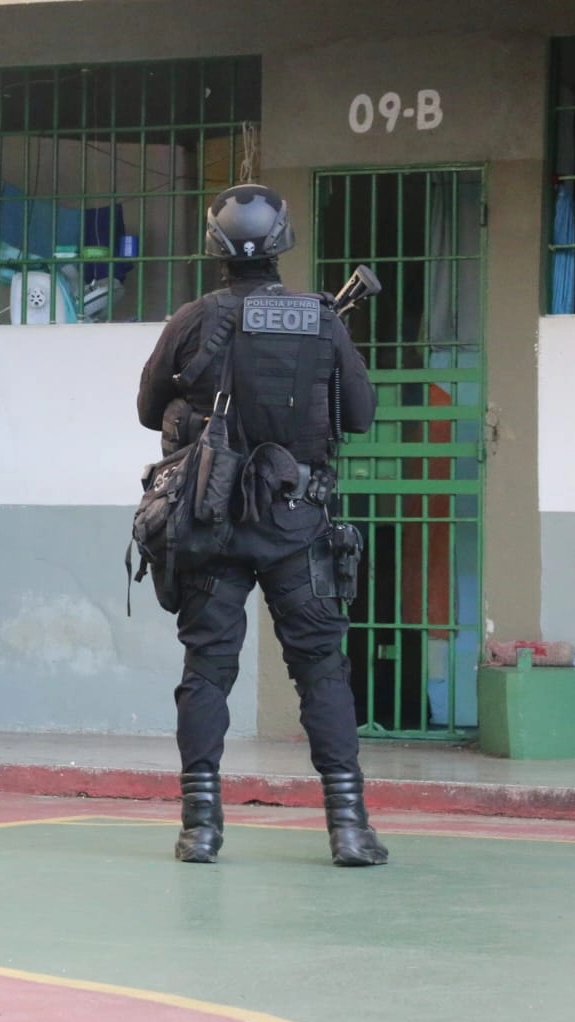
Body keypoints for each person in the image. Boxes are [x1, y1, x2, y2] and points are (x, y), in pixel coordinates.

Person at [136, 183, 387, 868]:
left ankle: (201, 828)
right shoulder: (321, 319)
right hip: (296, 523)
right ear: (282, 244)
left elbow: (145, 407)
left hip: (209, 522)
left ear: (214, 249)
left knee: (207, 671)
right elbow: (362, 416)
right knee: (320, 670)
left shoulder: (192, 319)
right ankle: (349, 828)